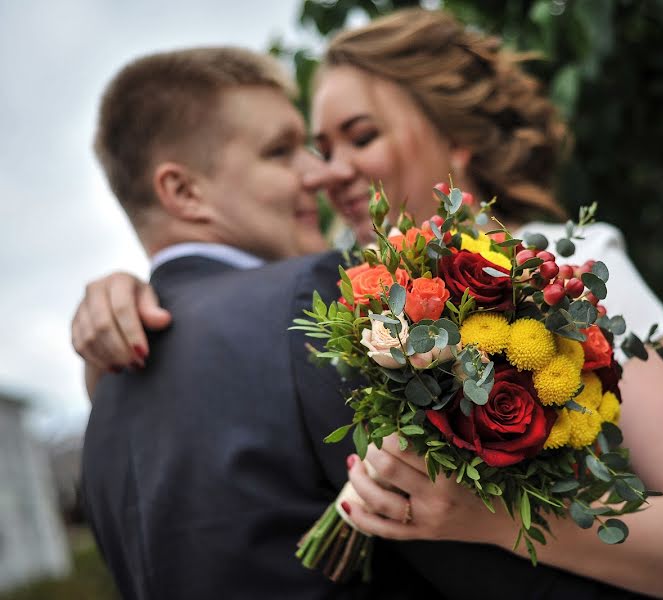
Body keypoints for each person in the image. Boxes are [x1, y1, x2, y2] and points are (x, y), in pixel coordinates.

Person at [73, 9, 663, 599]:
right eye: (315, 147)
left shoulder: (567, 263)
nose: (326, 173)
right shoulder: (345, 311)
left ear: (458, 139)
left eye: (361, 137)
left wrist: (503, 517)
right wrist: (140, 292)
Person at [77, 46, 438, 600]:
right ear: (183, 191)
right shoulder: (309, 296)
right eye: (281, 152)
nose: (319, 175)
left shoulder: (104, 400)